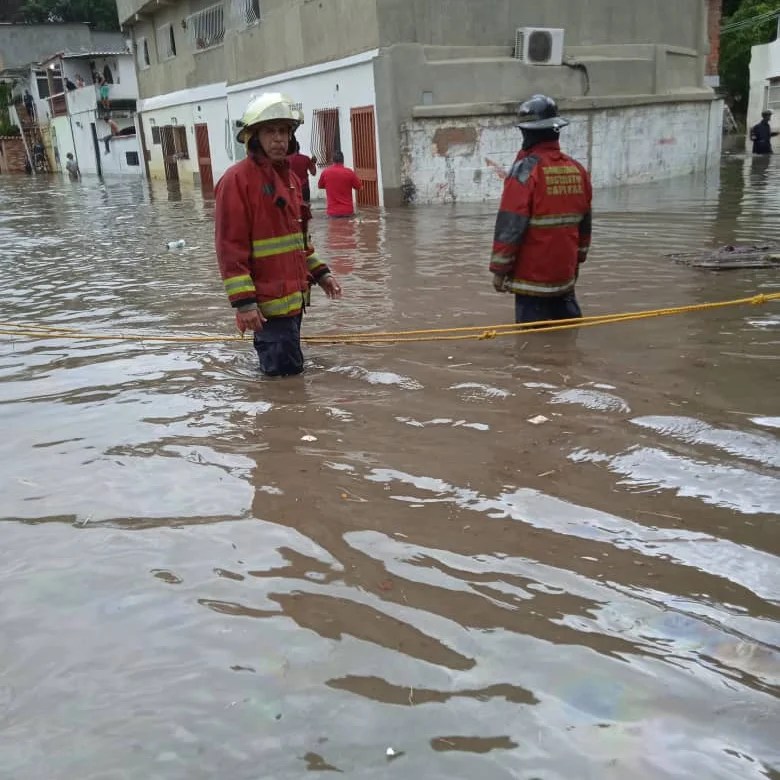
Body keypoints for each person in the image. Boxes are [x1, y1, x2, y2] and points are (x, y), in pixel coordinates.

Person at [215, 92, 342, 377]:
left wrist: (322, 274)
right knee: (283, 383)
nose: (278, 139)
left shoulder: (292, 181)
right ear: (253, 137)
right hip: (265, 310)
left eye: (283, 131)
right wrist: (245, 303)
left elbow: (299, 241)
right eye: (270, 131)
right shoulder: (236, 181)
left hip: (293, 302)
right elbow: (229, 249)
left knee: (289, 379)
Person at [489, 94, 592, 325]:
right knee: (567, 332)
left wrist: (499, 269)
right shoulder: (577, 169)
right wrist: (579, 257)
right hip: (565, 275)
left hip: (531, 280)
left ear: (528, 133)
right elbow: (585, 223)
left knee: (532, 345)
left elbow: (511, 224)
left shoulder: (525, 171)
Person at [287, 139, 317, 242]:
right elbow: (313, 173)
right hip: (304, 189)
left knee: (292, 212)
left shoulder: (285, 160)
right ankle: (306, 234)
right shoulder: (305, 159)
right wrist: (312, 163)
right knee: (305, 210)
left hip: (290, 190)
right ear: (298, 148)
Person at [318, 150, 362, 217]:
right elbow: (360, 188)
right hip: (348, 211)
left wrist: (331, 185)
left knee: (334, 227)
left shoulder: (325, 172)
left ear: (332, 160)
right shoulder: (349, 173)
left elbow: (320, 186)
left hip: (332, 212)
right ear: (343, 160)